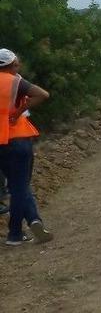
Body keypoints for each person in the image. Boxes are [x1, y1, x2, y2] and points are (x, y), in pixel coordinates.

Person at [0, 48, 53, 246]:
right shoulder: (15, 81)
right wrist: (20, 110)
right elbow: (42, 94)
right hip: (18, 138)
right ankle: (14, 234)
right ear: (11, 64)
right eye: (17, 63)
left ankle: (32, 220)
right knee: (20, 187)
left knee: (17, 186)